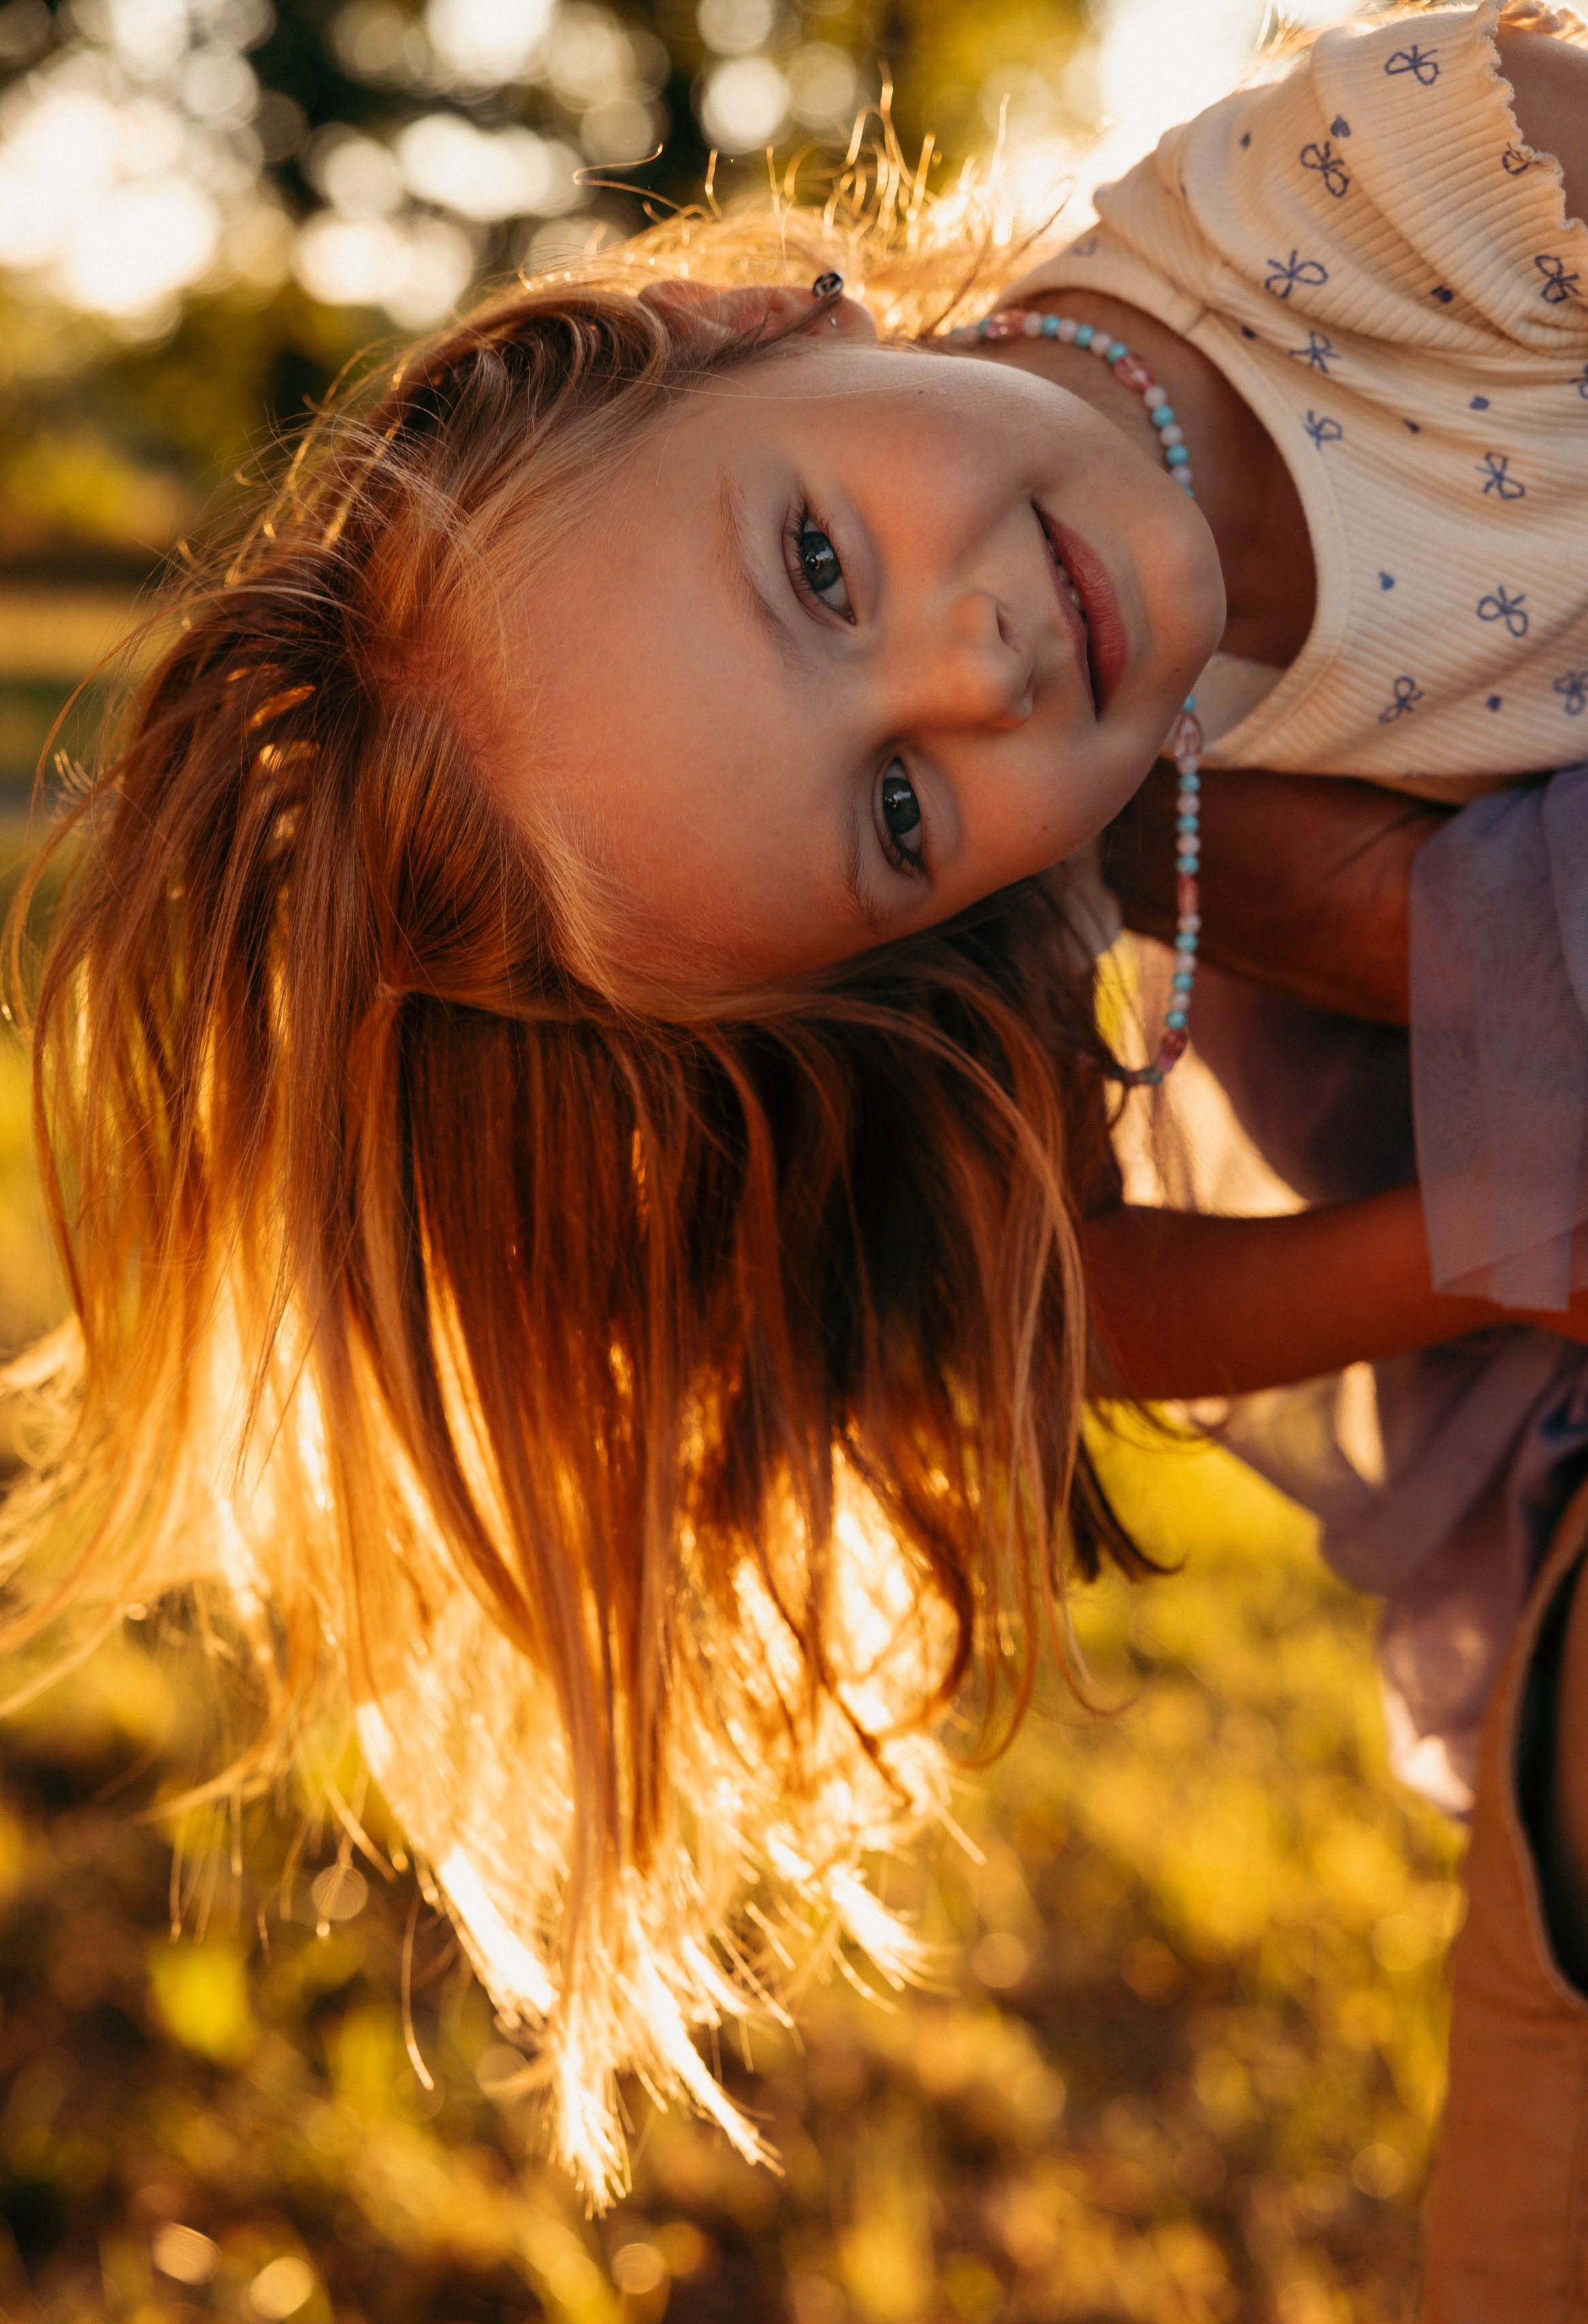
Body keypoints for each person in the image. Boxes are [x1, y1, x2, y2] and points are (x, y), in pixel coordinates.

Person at [5, 0, 1585, 2208]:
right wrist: (1488, 1246)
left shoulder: (1396, 184)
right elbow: (1051, 1302)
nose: (976, 670)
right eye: (905, 812)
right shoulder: (1101, 821)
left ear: (730, 316)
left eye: (818, 566)